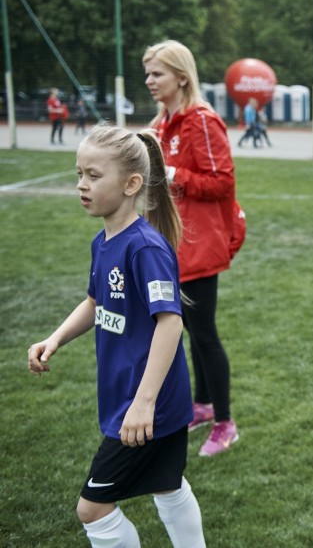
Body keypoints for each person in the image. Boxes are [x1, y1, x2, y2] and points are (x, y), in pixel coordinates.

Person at [26, 122, 206, 547]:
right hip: (129, 395)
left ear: (131, 184)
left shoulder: (144, 247)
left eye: (93, 175)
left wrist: (143, 403)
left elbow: (171, 321)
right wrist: (55, 338)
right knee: (167, 483)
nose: (81, 185)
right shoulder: (104, 241)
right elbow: (95, 302)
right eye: (79, 174)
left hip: (146, 402)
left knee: (92, 508)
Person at [144, 39, 240, 457]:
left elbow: (222, 183)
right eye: (147, 73)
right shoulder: (160, 123)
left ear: (181, 77)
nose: (149, 81)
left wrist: (171, 172)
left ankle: (225, 423)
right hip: (170, 245)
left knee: (204, 334)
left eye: (157, 73)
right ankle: (201, 405)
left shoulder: (201, 120)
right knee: (185, 331)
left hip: (198, 247)